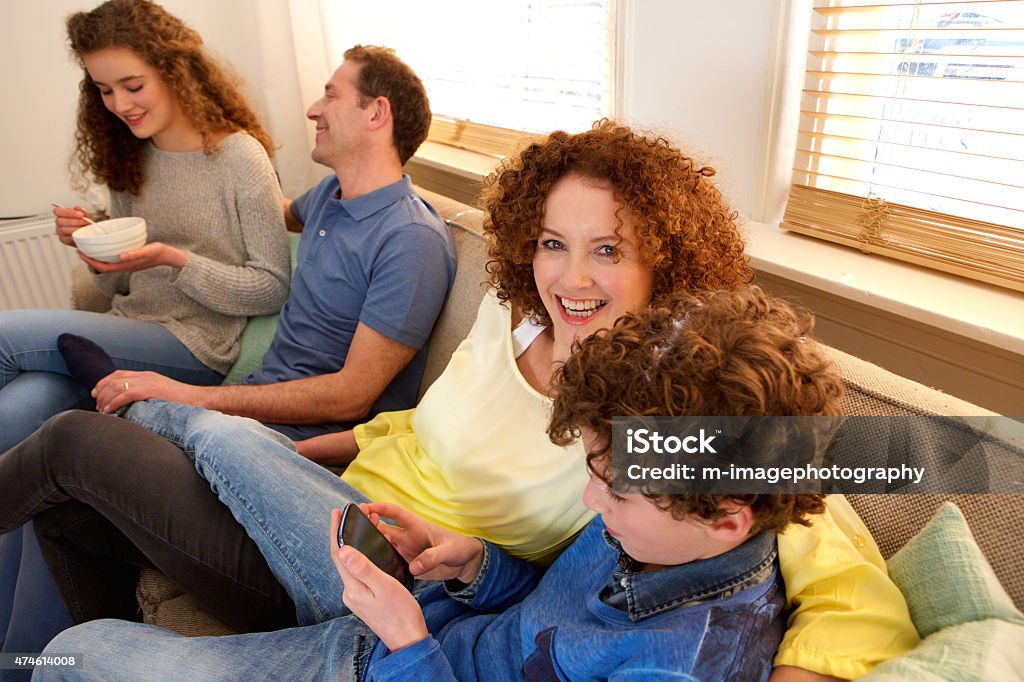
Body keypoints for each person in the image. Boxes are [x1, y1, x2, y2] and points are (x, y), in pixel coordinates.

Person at [1, 122, 916, 679]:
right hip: (388, 529)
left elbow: (833, 567)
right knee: (183, 436)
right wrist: (457, 551)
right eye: (554, 242)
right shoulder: (513, 315)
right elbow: (400, 425)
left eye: (608, 250)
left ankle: (151, 416)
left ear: (666, 262)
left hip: (391, 608)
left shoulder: (678, 414)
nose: (569, 276)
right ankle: (165, 410)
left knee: (78, 438)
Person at [38, 286, 844, 681]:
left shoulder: (675, 661)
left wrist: (407, 645)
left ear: (731, 520)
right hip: (414, 624)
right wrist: (473, 563)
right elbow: (541, 620)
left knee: (73, 654)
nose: (592, 505)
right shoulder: (669, 520)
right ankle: (150, 408)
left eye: (617, 492)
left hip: (392, 659)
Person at [0, 0, 292, 664]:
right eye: (104, 90)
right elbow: (116, 292)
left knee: (5, 335)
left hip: (195, 346)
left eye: (132, 84)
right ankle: (20, 659)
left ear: (174, 70)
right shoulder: (130, 155)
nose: (121, 104)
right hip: (130, 330)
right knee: (23, 417)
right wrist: (93, 253)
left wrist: (172, 258)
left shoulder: (238, 157)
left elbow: (270, 284)